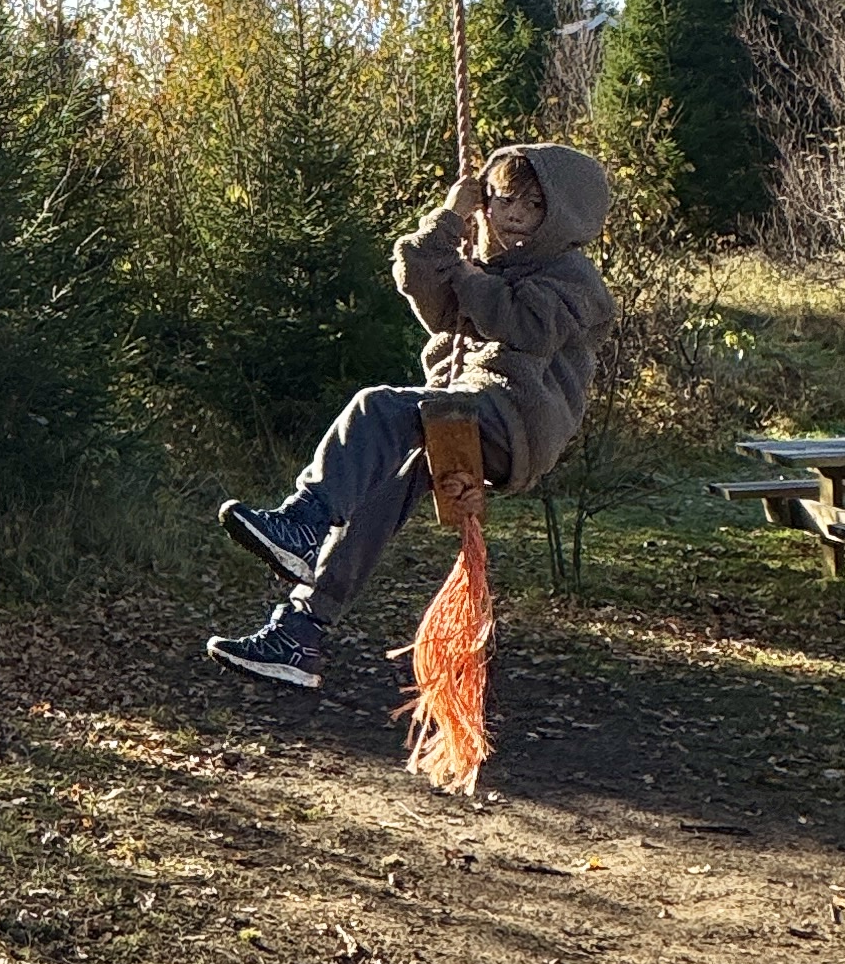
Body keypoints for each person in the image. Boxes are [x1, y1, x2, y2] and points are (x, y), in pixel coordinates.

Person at [209, 141, 615, 691]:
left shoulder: (573, 277)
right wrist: (449, 219)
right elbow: (418, 276)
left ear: (562, 215)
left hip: (516, 416)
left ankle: (305, 516)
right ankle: (301, 632)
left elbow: (525, 325)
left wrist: (466, 277)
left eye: (534, 206)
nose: (515, 215)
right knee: (377, 496)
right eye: (503, 200)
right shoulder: (481, 259)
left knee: (377, 407)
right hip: (463, 414)